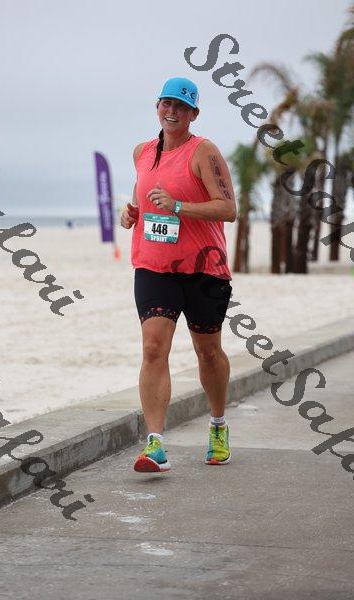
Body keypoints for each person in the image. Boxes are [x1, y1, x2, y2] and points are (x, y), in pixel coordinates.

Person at [120, 76, 236, 473]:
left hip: (204, 269)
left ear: (193, 114)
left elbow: (228, 209)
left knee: (208, 352)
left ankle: (218, 424)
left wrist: (179, 207)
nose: (172, 111)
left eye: (182, 107)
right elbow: (143, 197)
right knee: (153, 348)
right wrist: (131, 213)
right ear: (157, 107)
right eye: (167, 103)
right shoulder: (142, 152)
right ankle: (154, 444)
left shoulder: (204, 152)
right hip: (154, 267)